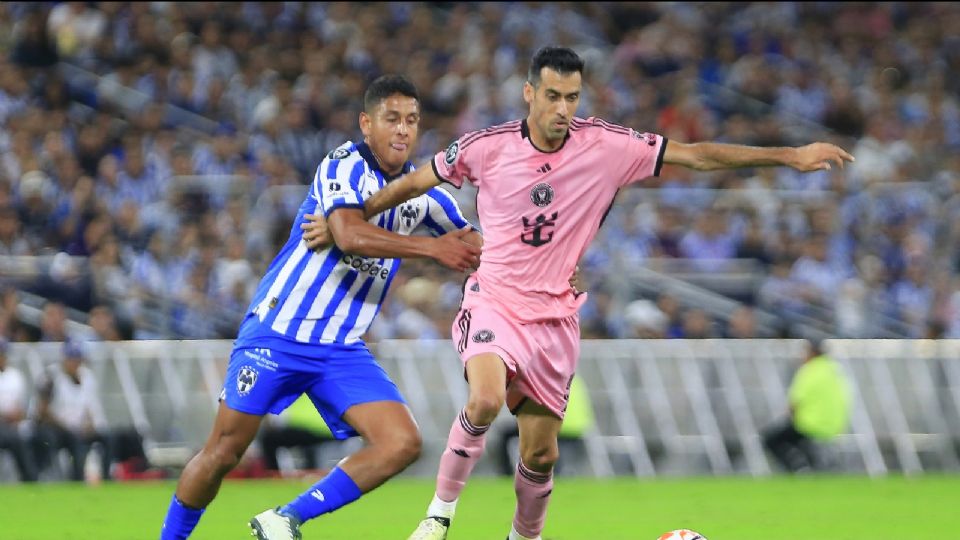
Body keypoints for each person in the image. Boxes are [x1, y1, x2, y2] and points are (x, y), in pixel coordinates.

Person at [305, 46, 854, 540]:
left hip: (554, 319)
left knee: (540, 456)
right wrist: (346, 218)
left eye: (571, 96)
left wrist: (789, 155)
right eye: (551, 96)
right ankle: (438, 518)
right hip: (493, 298)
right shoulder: (486, 147)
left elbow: (698, 155)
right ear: (529, 93)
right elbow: (414, 181)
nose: (562, 108)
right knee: (486, 398)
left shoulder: (609, 147)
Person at [158, 74, 483, 540]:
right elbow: (350, 233)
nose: (403, 130)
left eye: (412, 121)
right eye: (392, 119)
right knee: (224, 451)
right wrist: (433, 251)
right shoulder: (344, 163)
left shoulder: (426, 196)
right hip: (279, 331)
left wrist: (547, 266)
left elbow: (477, 246)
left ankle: (285, 518)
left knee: (401, 443)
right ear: (365, 124)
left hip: (339, 349)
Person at [762, 339, 852, 473]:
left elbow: (794, 403)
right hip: (835, 427)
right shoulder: (835, 370)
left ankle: (797, 469)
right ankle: (812, 465)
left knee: (770, 440)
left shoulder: (809, 370)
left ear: (811, 353)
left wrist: (791, 415)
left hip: (810, 424)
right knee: (799, 440)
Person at [33, 340, 112, 482]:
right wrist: (66, 427)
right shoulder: (51, 376)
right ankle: (57, 479)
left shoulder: (87, 377)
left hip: (79, 427)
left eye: (77, 359)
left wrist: (90, 424)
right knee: (63, 439)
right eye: (71, 358)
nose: (74, 363)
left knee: (107, 437)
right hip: (55, 427)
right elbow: (42, 410)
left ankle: (105, 478)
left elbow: (91, 406)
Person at [258, 393, 335, 473]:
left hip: (309, 428)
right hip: (327, 430)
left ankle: (274, 475)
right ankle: (309, 470)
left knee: (269, 440)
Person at [0, 336, 39, 482]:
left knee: (25, 437)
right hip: (3, 424)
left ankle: (30, 479)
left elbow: (23, 407)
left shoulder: (15, 376)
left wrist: (17, 416)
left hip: (14, 424)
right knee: (13, 437)